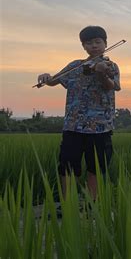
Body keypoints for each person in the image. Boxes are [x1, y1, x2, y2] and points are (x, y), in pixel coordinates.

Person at [37, 25, 121, 203]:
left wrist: (101, 74)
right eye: (89, 43)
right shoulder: (75, 65)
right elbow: (55, 80)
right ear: (83, 46)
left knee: (96, 167)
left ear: (105, 44)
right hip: (73, 125)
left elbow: (110, 86)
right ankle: (67, 204)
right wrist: (46, 77)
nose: (94, 46)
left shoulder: (110, 66)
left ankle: (93, 204)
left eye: (98, 42)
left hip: (100, 126)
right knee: (67, 165)